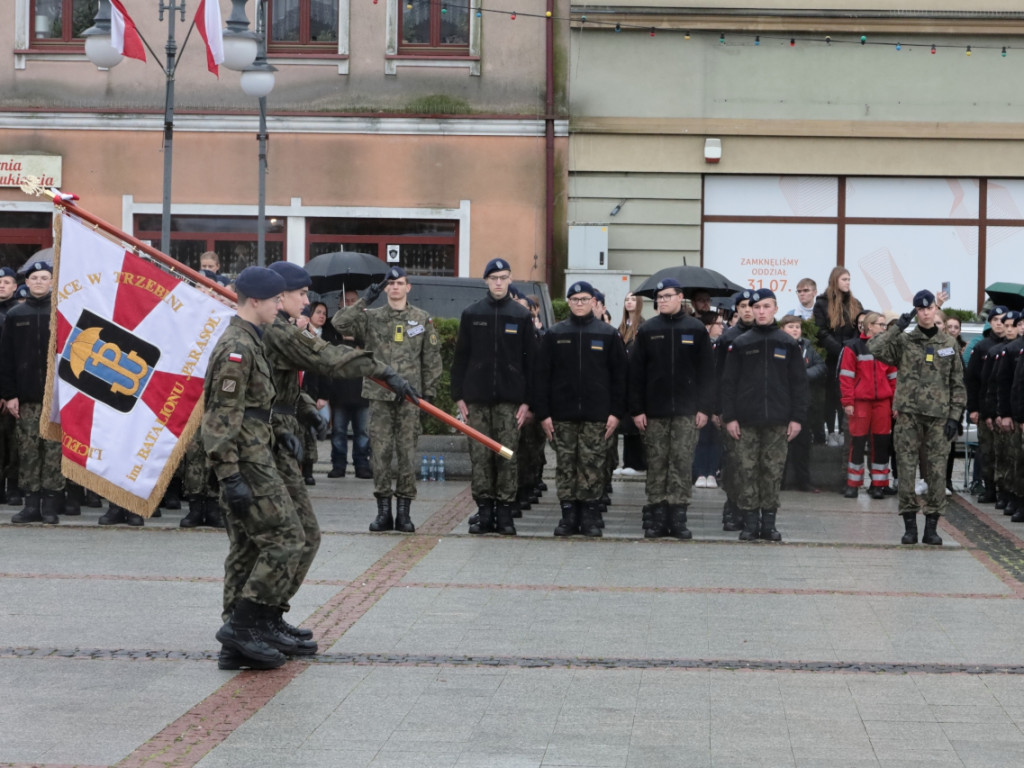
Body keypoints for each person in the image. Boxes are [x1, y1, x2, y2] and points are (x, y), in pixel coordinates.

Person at [203, 266, 300, 670]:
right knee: (287, 537)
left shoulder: (251, 341)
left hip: (256, 453)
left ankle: (239, 642)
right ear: (255, 301)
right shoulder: (236, 348)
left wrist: (280, 431)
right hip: (246, 462)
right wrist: (229, 475)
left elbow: (257, 407)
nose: (282, 306)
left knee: (246, 547)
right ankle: (244, 625)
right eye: (276, 299)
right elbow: (220, 417)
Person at [334, 266, 442, 533]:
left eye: (400, 283)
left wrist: (429, 394)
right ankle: (383, 512)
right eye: (390, 283)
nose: (394, 287)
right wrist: (364, 300)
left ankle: (404, 513)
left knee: (407, 454)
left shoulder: (422, 318)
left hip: (409, 397)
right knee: (380, 454)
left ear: (409, 287)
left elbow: (431, 359)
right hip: (379, 395)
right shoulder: (371, 317)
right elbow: (339, 323)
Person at [868, 290, 966, 546]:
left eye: (929, 308)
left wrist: (955, 417)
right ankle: (910, 525)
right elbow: (874, 348)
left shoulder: (949, 344)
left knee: (936, 474)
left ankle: (932, 527)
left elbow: (957, 384)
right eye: (919, 309)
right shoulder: (904, 341)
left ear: (935, 309)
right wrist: (897, 327)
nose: (925, 312)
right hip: (909, 417)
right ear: (916, 311)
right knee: (907, 472)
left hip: (938, 418)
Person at [450, 258, 536, 535]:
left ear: (510, 280)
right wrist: (458, 396)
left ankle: (505, 513)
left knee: (508, 456)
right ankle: (485, 511)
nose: (498, 282)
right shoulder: (472, 313)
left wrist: (528, 401)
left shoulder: (520, 316)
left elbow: (532, 362)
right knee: (480, 456)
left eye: (503, 277)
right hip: (477, 399)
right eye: (493, 278)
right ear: (486, 281)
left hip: (510, 402)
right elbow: (460, 358)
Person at [534, 281, 626, 537]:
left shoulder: (607, 334)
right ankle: (568, 516)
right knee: (565, 466)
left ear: (594, 302)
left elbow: (620, 377)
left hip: (597, 416)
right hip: (562, 416)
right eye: (574, 300)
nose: (579, 304)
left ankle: (590, 516)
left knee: (592, 466)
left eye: (584, 299)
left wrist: (616, 413)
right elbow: (541, 377)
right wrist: (544, 414)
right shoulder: (555, 334)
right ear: (568, 302)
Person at [628, 278, 714, 539]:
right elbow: (635, 374)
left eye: (667, 296)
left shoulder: (696, 329)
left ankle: (677, 517)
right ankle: (656, 516)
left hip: (687, 412)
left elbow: (707, 374)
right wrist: (637, 409)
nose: (662, 300)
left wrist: (704, 408)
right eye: (659, 297)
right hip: (654, 411)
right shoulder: (648, 330)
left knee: (681, 462)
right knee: (656, 464)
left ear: (680, 297)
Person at [720, 289, 808, 542]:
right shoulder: (740, 343)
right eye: (756, 307)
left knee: (772, 472)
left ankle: (768, 523)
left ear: (775, 309)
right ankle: (749, 523)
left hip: (779, 421)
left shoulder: (787, 343)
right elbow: (728, 383)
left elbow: (799, 385)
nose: (760, 311)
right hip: (745, 421)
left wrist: (797, 418)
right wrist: (730, 417)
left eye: (766, 307)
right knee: (746, 471)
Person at [0, 262, 70, 525]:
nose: (39, 282)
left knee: (53, 450)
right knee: (28, 450)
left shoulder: (62, 313)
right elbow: (5, 359)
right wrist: (9, 394)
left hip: (56, 397)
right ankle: (31, 504)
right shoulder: (16, 314)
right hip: (26, 397)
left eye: (44, 277)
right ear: (26, 283)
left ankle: (51, 504)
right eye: (34, 278)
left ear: (52, 282)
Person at [838, 311, 897, 499]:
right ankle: (853, 484)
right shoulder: (853, 347)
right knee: (857, 442)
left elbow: (894, 378)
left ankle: (878, 484)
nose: (883, 328)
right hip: (860, 402)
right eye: (880, 325)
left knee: (881, 444)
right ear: (870, 326)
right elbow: (846, 377)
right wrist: (848, 402)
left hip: (882, 403)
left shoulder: (887, 348)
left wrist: (895, 403)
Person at [713, 290, 756, 531]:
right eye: (742, 306)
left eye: (751, 305)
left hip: (759, 411)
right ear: (736, 310)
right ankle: (732, 508)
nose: (748, 310)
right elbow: (718, 376)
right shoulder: (727, 338)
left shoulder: (767, 335)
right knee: (733, 463)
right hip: (732, 410)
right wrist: (716, 410)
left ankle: (751, 510)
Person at [813, 267, 863, 446]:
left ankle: (843, 430)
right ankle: (832, 432)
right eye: (844, 279)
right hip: (831, 357)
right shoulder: (822, 303)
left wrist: (850, 349)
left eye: (849, 279)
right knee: (830, 397)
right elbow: (820, 331)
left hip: (850, 356)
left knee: (845, 394)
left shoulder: (855, 303)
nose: (848, 282)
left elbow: (860, 327)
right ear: (835, 280)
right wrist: (838, 349)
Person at [965, 305, 1007, 503]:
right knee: (986, 450)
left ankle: (1004, 490)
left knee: (1005, 453)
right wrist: (973, 408)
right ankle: (987, 487)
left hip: (1004, 407)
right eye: (996, 320)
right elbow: (972, 380)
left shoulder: (1012, 346)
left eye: (1003, 320)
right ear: (990, 323)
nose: (1000, 323)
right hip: (984, 407)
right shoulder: (981, 347)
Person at [779, 314, 825, 492]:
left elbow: (821, 366)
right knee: (781, 446)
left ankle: (804, 482)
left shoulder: (807, 347)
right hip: (782, 403)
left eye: (797, 327)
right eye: (791, 327)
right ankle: (779, 482)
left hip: (802, 404)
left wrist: (803, 375)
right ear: (782, 329)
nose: (795, 330)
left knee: (803, 445)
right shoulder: (778, 345)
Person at [693, 310, 725, 488]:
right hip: (701, 400)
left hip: (717, 399)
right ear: (708, 326)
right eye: (718, 324)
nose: (722, 327)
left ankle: (712, 471)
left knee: (715, 439)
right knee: (701, 438)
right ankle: (699, 472)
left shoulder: (722, 346)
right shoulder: (701, 346)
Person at [616, 292, 647, 474]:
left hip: (636, 379)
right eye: (627, 299)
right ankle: (627, 462)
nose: (629, 302)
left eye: (633, 299)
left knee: (636, 423)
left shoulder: (643, 326)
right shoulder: (621, 327)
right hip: (623, 380)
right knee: (626, 423)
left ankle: (637, 463)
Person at [0, 266, 21, 506]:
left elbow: (16, 358)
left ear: (15, 286)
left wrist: (10, 392)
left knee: (16, 445)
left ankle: (14, 486)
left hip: (15, 390)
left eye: (7, 282)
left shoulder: (20, 311)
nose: (2, 285)